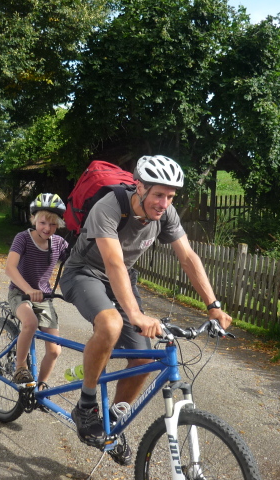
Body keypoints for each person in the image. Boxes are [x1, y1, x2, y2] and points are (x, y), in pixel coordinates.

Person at [59, 155, 232, 465]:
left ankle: (112, 424)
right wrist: (136, 316)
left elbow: (188, 257)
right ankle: (85, 407)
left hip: (121, 277)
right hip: (84, 272)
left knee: (143, 357)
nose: (164, 202)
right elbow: (112, 262)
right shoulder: (109, 207)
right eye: (158, 194)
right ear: (139, 187)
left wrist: (213, 305)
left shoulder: (166, 214)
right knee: (111, 325)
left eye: (170, 196)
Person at [6, 193, 69, 386]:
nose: (47, 228)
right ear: (33, 219)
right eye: (42, 222)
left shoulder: (59, 243)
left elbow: (75, 263)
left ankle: (40, 387)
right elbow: (10, 267)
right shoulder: (23, 238)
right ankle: (20, 368)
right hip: (20, 292)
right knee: (30, 323)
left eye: (52, 224)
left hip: (43, 297)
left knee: (54, 350)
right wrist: (28, 289)